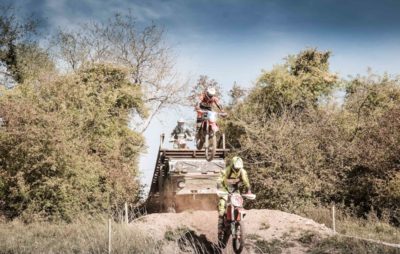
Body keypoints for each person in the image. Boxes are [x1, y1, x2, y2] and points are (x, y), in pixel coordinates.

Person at [217, 156, 252, 241]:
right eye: (236, 168)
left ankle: (238, 223)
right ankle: (220, 229)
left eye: (238, 168)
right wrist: (219, 188)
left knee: (238, 203)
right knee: (222, 207)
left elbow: (246, 180)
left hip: (235, 190)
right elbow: (219, 180)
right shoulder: (226, 171)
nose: (237, 170)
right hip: (225, 189)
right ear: (232, 165)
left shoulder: (242, 171)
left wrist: (249, 190)